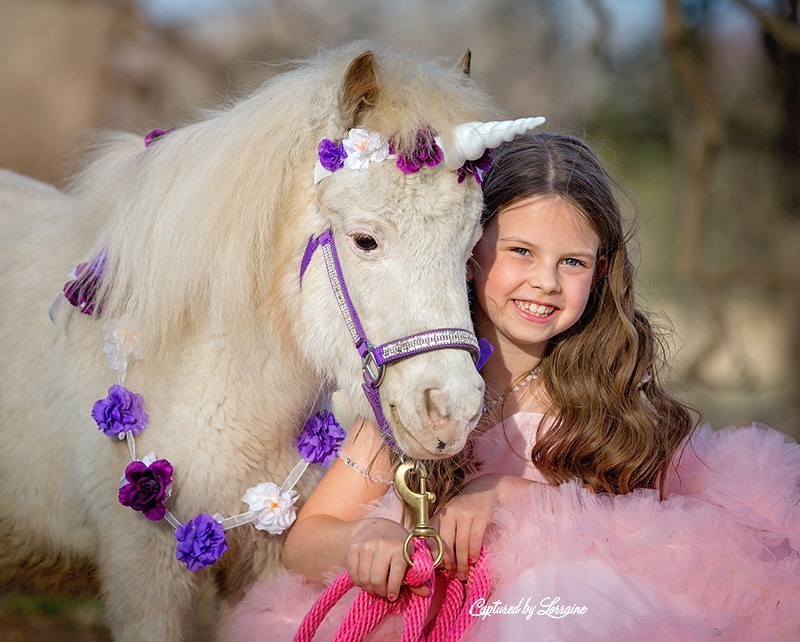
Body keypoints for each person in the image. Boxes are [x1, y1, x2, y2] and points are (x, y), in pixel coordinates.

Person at [230, 133, 800, 641]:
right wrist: (366, 536)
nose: (545, 282)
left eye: (572, 262)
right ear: (471, 251)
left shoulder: (608, 403)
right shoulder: (420, 392)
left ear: (600, 272)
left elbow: (659, 542)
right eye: (521, 251)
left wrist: (509, 496)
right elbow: (306, 541)